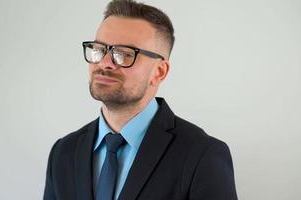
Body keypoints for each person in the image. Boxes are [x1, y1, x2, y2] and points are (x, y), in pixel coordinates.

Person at [43, 0, 238, 199]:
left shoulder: (203, 155)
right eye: (99, 49)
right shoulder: (63, 152)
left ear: (159, 72)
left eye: (124, 54)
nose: (104, 62)